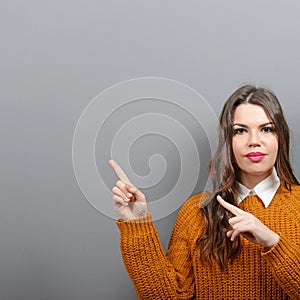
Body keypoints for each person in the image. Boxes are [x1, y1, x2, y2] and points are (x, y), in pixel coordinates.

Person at [109, 84, 300, 299]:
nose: (254, 141)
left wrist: (273, 242)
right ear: (228, 141)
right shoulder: (197, 211)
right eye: (240, 131)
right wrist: (137, 223)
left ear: (280, 137)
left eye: (266, 129)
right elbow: (168, 296)